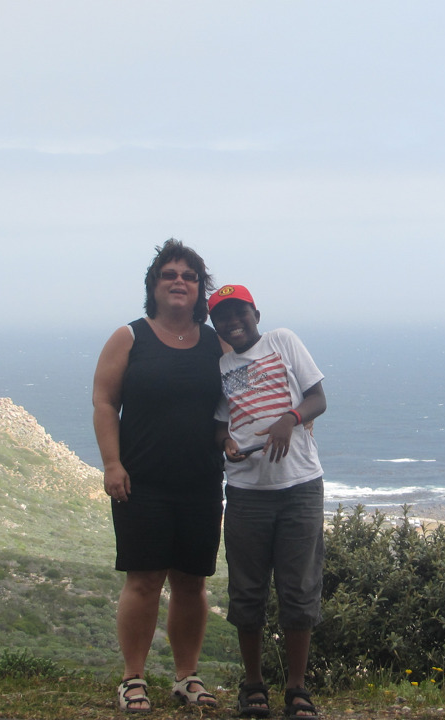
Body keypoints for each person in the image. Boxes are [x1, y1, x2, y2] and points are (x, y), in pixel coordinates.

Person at [91, 240, 225, 713]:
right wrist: (112, 463)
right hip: (141, 483)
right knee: (144, 581)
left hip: (201, 482)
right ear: (153, 285)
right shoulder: (129, 338)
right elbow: (104, 402)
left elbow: (250, 387)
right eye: (169, 274)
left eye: (189, 276)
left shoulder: (216, 343)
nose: (178, 282)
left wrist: (295, 414)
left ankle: (187, 677)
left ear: (200, 289)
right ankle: (133, 679)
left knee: (192, 583)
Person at [207, 284, 327, 720]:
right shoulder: (221, 367)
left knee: (299, 589)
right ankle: (253, 684)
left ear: (255, 313)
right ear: (216, 325)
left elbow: (318, 398)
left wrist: (288, 420)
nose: (233, 322)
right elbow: (221, 425)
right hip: (246, 492)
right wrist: (226, 444)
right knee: (247, 591)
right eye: (223, 317)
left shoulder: (283, 341)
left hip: (300, 487)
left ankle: (296, 687)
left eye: (240, 312)